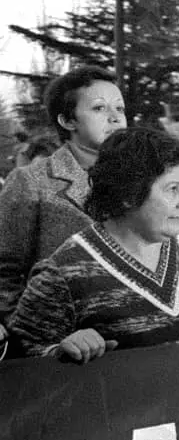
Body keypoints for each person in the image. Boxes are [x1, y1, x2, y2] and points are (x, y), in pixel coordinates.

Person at [6, 128, 179, 361]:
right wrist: (59, 352)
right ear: (128, 194)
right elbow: (20, 360)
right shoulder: (63, 273)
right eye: (172, 189)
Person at [0, 67, 126, 342]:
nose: (115, 117)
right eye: (99, 108)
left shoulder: (140, 178)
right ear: (67, 121)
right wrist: (29, 335)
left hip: (131, 344)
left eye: (120, 108)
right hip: (63, 351)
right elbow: (4, 271)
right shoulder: (30, 181)